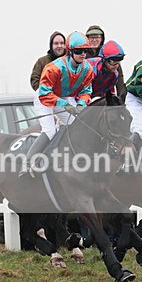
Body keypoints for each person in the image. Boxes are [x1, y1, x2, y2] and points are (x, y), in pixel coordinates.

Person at [20, 31, 93, 177]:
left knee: (75, 126)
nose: (83, 54)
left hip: (64, 97)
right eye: (79, 51)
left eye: (85, 51)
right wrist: (65, 105)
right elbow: (45, 93)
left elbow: (86, 91)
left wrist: (81, 105)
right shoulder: (54, 68)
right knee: (50, 131)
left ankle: (64, 158)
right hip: (44, 97)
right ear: (70, 52)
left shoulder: (87, 69)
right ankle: (27, 163)